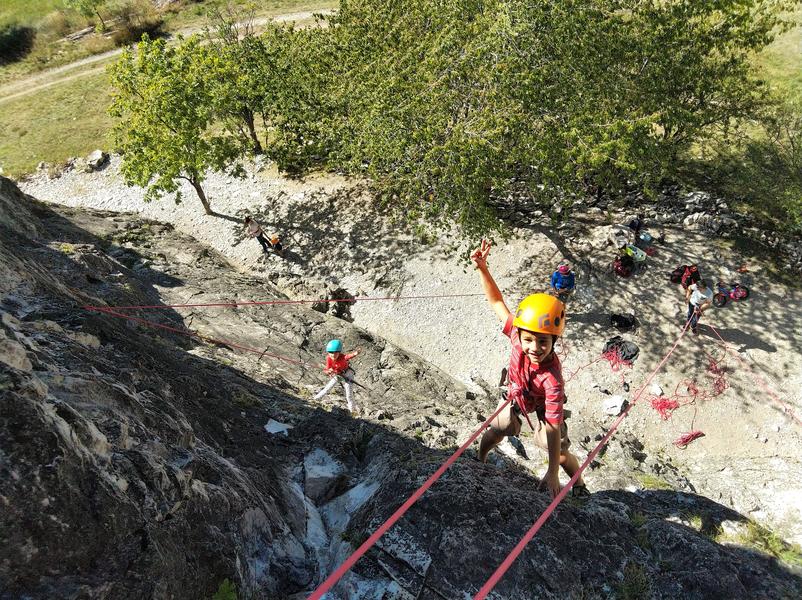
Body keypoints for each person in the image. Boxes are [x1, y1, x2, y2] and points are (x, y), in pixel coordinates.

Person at [471, 239, 589, 498]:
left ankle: (578, 484)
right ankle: (479, 458)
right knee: (498, 428)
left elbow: (554, 426)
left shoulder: (552, 380)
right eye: (529, 339)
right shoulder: (516, 334)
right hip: (517, 393)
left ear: (554, 341)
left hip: (542, 404)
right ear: (520, 335)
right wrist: (482, 268)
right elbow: (496, 302)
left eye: (543, 341)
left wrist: (552, 471)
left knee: (557, 451)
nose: (534, 347)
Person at [314, 339, 360, 413]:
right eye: (331, 353)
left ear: (339, 352)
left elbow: (348, 356)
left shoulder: (342, 357)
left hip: (348, 374)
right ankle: (316, 399)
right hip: (338, 374)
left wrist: (355, 353)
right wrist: (329, 371)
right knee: (327, 388)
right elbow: (326, 369)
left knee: (349, 394)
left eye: (335, 353)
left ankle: (352, 410)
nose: (333, 355)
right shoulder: (328, 358)